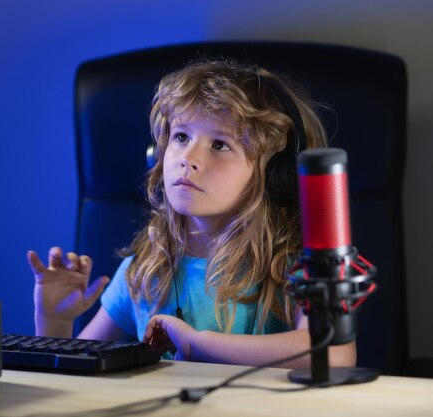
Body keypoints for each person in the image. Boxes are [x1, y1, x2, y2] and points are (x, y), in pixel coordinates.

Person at [27, 59, 356, 368]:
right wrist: (55, 322)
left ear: (276, 174)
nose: (189, 158)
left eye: (219, 145)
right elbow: (74, 378)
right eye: (181, 136)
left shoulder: (300, 264)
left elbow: (334, 353)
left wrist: (197, 344)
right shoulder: (145, 270)